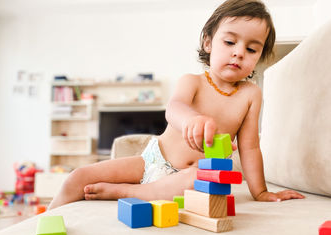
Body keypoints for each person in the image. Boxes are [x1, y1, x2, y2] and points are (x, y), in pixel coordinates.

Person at [49, 0, 304, 209]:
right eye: (229, 42)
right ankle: (44, 220)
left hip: (192, 175)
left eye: (251, 49)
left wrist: (260, 192)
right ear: (208, 43)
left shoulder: (251, 94)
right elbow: (174, 109)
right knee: (78, 177)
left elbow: (249, 148)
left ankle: (127, 191)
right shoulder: (192, 81)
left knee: (199, 177)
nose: (239, 52)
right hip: (152, 159)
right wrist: (192, 119)